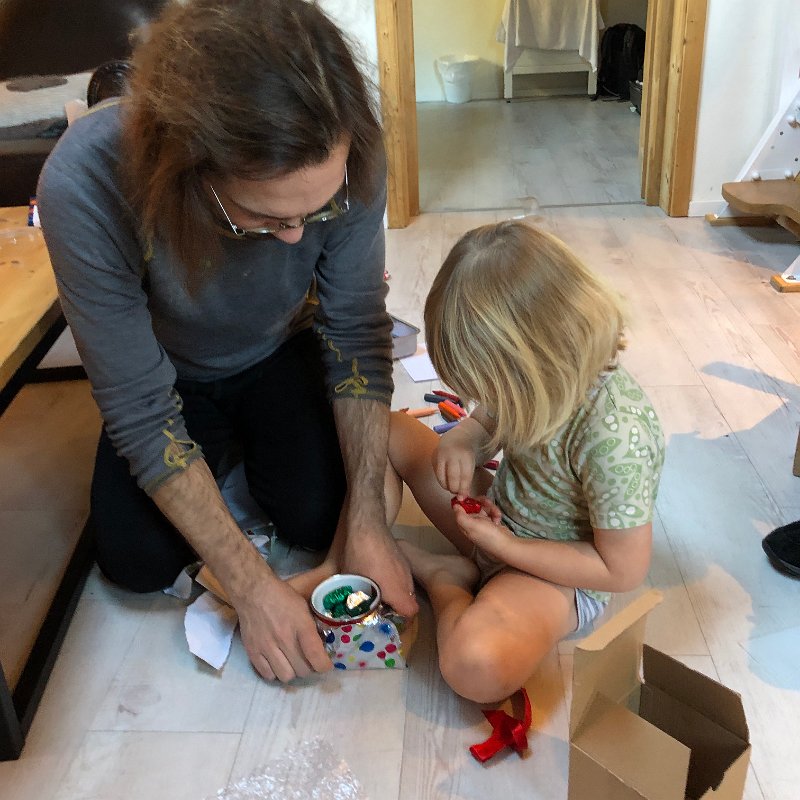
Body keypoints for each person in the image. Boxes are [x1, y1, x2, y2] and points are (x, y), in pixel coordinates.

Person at [37, 0, 417, 684]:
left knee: (323, 516)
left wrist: (367, 519)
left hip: (280, 348)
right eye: (264, 218)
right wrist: (251, 587)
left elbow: (356, 330)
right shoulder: (84, 183)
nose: (297, 237)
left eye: (319, 209)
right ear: (186, 170)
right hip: (170, 374)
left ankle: (247, 467)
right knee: (134, 560)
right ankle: (229, 467)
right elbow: (140, 409)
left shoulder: (351, 147)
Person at [384, 221, 665, 704]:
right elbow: (491, 416)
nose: (487, 399)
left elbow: (620, 571)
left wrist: (508, 548)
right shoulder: (540, 373)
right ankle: (371, 544)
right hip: (495, 520)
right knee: (384, 429)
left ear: (536, 362)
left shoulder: (617, 436)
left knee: (475, 665)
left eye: (491, 386)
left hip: (555, 576)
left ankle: (446, 580)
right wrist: (465, 441)